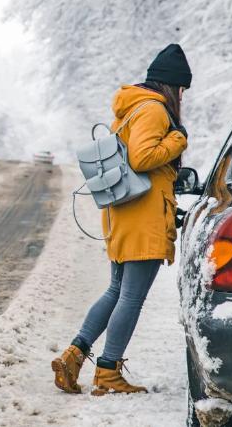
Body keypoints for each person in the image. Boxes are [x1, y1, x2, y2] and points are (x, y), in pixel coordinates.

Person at [52, 44, 191, 396]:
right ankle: (108, 371)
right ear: (171, 86)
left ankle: (74, 354)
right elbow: (143, 158)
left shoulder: (133, 107)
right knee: (131, 297)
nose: (181, 97)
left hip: (124, 213)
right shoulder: (155, 110)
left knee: (117, 291)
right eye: (181, 89)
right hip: (144, 217)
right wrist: (177, 140)